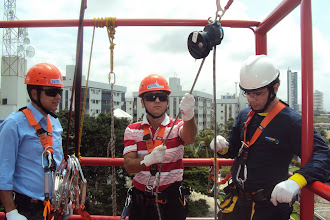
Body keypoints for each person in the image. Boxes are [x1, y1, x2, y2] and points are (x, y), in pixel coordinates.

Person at [210, 55, 330, 220]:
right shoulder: (246, 115)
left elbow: (323, 154)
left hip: (267, 207)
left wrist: (296, 181)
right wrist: (223, 146)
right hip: (237, 204)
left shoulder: (291, 121)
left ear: (275, 88)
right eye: (248, 94)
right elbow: (234, 149)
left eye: (258, 94)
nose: (252, 99)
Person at [123, 74, 198, 220]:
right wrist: (147, 160)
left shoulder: (178, 126)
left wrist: (188, 115)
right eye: (151, 97)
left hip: (171, 202)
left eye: (162, 97)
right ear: (143, 102)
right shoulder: (132, 130)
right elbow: (129, 165)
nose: (157, 100)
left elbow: (189, 138)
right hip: (141, 202)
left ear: (167, 101)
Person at [0, 63, 68, 220]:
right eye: (52, 92)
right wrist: (11, 212)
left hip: (55, 207)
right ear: (34, 93)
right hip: (28, 208)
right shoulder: (14, 124)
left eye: (59, 91)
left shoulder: (54, 123)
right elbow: (3, 171)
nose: (58, 97)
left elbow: (58, 163)